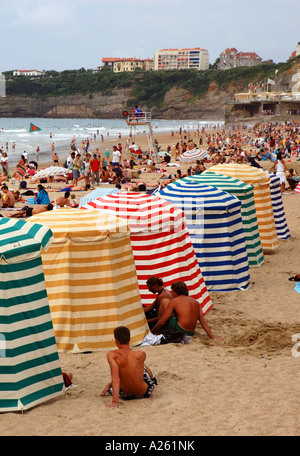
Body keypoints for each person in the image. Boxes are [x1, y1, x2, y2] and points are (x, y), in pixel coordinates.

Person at [100, 326, 157, 408]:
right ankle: (154, 379)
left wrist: (114, 401)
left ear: (116, 341)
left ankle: (153, 378)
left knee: (124, 368)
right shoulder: (141, 354)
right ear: (129, 339)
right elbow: (135, 372)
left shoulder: (112, 355)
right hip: (145, 393)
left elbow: (116, 379)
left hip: (126, 395)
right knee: (142, 366)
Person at [151, 281, 223, 340]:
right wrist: (213, 337)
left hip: (179, 329)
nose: (172, 294)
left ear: (175, 292)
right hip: (190, 332)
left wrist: (152, 332)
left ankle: (159, 331)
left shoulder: (175, 301)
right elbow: (203, 322)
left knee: (165, 301)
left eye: (172, 292)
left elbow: (162, 321)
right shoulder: (196, 302)